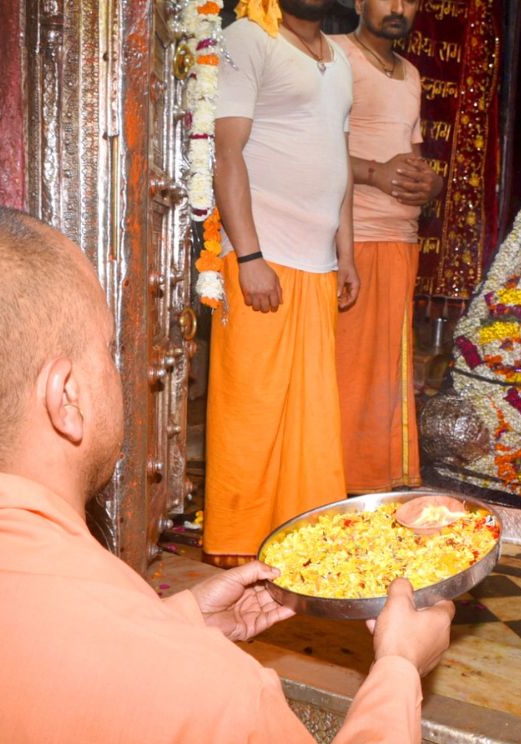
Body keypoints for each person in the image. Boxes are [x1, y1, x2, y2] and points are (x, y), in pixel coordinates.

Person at [0, 204, 455, 744]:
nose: (118, 370)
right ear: (65, 397)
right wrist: (397, 671)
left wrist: (174, 621)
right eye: (105, 347)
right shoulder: (209, 701)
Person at [203, 0, 360, 567]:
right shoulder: (247, 38)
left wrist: (346, 251)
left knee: (311, 411)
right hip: (262, 255)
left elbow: (338, 159)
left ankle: (304, 530)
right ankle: (236, 532)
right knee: (251, 403)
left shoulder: (338, 59)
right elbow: (227, 152)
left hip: (318, 262)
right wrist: (248, 254)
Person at [334, 0, 443, 494]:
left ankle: (372, 485)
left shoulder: (412, 73)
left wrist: (431, 183)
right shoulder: (334, 56)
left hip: (399, 240)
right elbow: (311, 144)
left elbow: (412, 154)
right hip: (351, 238)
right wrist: (375, 173)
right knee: (349, 372)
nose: (398, 7)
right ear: (359, 2)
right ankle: (336, 485)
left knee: (385, 377)